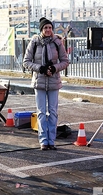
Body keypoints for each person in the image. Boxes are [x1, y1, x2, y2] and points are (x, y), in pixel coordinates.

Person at [23, 17, 69, 151]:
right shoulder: (35, 42)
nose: (48, 30)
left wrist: (54, 68)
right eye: (45, 28)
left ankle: (52, 141)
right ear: (41, 29)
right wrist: (41, 68)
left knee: (53, 112)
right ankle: (43, 141)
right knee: (41, 112)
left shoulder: (57, 42)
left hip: (54, 82)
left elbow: (65, 61)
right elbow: (26, 62)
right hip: (40, 82)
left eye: (50, 27)